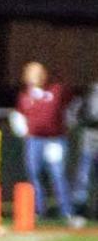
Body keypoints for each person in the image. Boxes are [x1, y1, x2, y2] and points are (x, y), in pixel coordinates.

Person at [12, 61, 78, 224]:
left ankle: (67, 211)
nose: (37, 76)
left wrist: (69, 124)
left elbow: (74, 105)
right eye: (33, 73)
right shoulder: (25, 95)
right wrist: (22, 130)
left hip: (55, 140)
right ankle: (39, 210)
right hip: (34, 140)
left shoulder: (57, 90)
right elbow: (19, 115)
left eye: (40, 72)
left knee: (58, 174)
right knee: (34, 174)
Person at [70, 80, 98, 216]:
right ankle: (79, 207)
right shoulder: (89, 91)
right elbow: (74, 113)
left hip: (90, 138)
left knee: (84, 173)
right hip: (89, 139)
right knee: (83, 174)